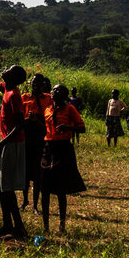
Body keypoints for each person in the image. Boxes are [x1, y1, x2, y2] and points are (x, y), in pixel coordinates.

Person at [0, 64, 28, 239]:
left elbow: (20, 124)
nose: (5, 69)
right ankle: (7, 225)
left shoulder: (14, 96)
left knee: (7, 187)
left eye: (9, 70)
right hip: (8, 143)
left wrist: (1, 144)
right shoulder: (7, 88)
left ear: (12, 77)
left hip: (12, 144)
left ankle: (18, 227)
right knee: (2, 187)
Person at [40, 84, 86, 235]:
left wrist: (68, 127)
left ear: (65, 95)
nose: (54, 92)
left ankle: (62, 225)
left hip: (63, 148)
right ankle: (45, 226)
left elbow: (82, 127)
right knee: (45, 188)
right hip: (48, 148)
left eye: (58, 90)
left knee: (61, 189)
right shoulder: (47, 109)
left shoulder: (70, 109)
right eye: (53, 89)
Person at [21, 73, 51, 213]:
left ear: (43, 85)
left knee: (37, 172)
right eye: (33, 83)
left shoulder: (48, 99)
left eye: (38, 84)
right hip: (27, 137)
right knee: (25, 172)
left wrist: (36, 119)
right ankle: (25, 201)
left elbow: (49, 122)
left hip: (41, 138)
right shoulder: (24, 98)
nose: (35, 86)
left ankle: (35, 205)